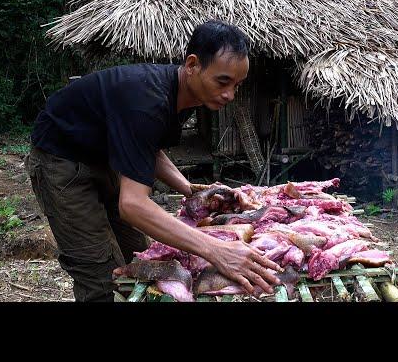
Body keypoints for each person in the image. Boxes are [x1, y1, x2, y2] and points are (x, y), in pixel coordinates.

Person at [26, 20, 282, 302]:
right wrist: (216, 250)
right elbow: (133, 205)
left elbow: (149, 147)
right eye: (223, 81)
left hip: (104, 157)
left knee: (138, 257)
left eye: (237, 85)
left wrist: (190, 189)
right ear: (193, 65)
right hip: (61, 160)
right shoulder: (147, 100)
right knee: (100, 273)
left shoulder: (185, 96)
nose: (230, 95)